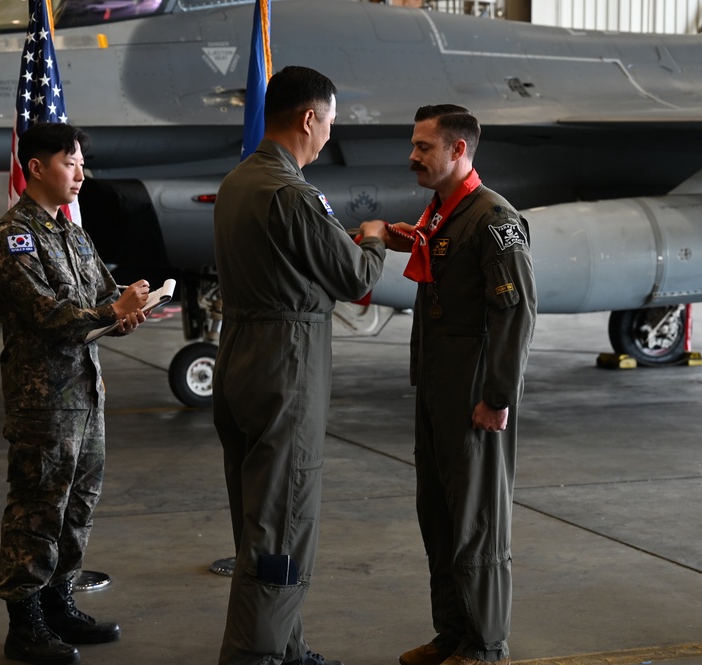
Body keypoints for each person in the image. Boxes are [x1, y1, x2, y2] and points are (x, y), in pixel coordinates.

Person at [212, 65, 388, 665]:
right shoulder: (291, 194)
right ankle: (255, 654)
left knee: (257, 514)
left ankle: (286, 644)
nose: (329, 137)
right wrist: (372, 237)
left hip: (238, 353)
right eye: (330, 124)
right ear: (309, 119)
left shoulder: (238, 181)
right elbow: (355, 277)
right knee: (283, 519)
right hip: (285, 364)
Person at [0, 122, 151, 665]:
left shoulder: (73, 233)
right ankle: (24, 623)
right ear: (36, 167)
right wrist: (111, 312)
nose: (81, 173)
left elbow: (103, 294)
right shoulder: (15, 236)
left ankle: (58, 603)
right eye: (70, 162)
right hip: (44, 402)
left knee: (78, 506)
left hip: (86, 393)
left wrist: (128, 308)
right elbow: (48, 315)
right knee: (38, 507)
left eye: (81, 163)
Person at [385, 105, 536, 665]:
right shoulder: (443, 213)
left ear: (457, 151)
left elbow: (515, 314)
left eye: (424, 146)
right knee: (440, 517)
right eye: (414, 144)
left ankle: (485, 645)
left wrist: (497, 397)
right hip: (436, 393)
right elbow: (429, 254)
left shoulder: (493, 218)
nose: (413, 156)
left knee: (477, 524)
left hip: (475, 396)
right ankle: (452, 634)